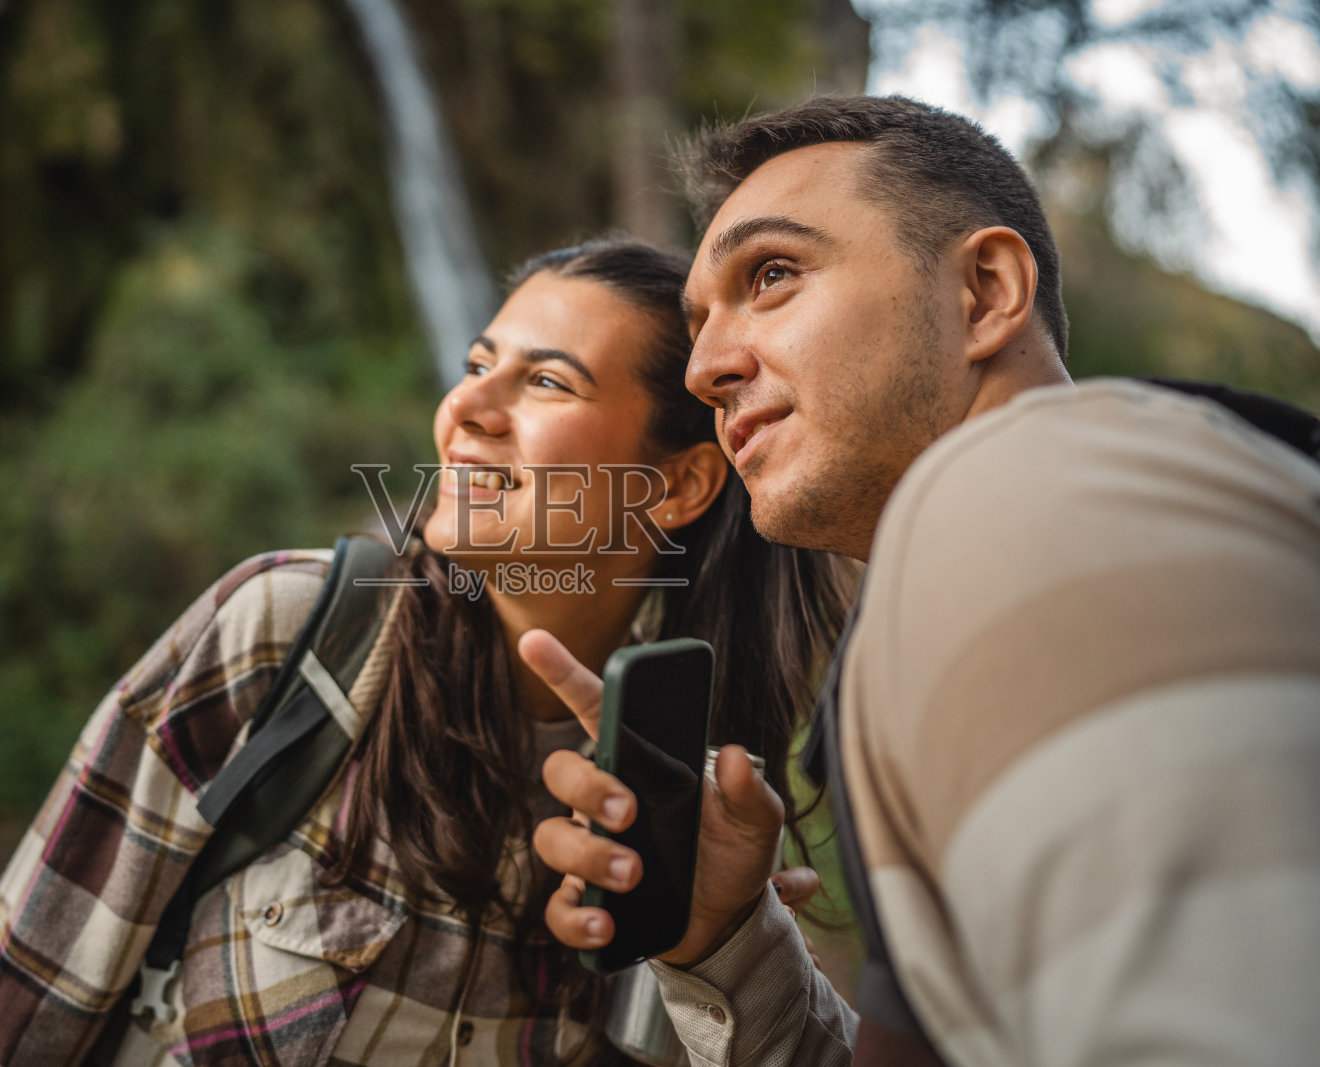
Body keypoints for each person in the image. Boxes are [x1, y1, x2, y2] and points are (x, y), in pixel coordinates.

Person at [0, 239, 854, 1067]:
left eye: (546, 382)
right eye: (477, 365)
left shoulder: (700, 792)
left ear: (678, 483)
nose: (466, 407)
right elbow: (14, 1017)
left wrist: (726, 951)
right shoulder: (285, 634)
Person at [528, 96, 1320, 1067]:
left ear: (985, 292)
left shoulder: (1031, 493)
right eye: (698, 323)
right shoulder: (1004, 551)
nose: (703, 369)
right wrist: (730, 947)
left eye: (771, 275)